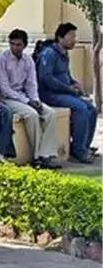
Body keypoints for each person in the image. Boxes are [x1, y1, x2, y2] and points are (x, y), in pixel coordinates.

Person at [0, 29, 61, 169]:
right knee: (32, 115)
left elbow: (31, 84)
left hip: (24, 96)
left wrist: (35, 100)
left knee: (50, 113)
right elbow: (5, 88)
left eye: (18, 44)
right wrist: (27, 102)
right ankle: (37, 157)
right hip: (7, 99)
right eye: (12, 44)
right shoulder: (2, 60)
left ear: (24, 45)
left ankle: (46, 154)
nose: (14, 47)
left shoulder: (28, 60)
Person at [38, 22, 97, 164]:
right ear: (60, 38)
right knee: (81, 108)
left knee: (92, 109)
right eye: (71, 36)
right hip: (50, 94)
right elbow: (46, 78)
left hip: (64, 93)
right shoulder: (49, 54)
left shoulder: (64, 54)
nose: (74, 39)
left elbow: (67, 76)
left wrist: (75, 84)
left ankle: (84, 146)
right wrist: (68, 88)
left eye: (74, 36)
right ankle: (78, 151)